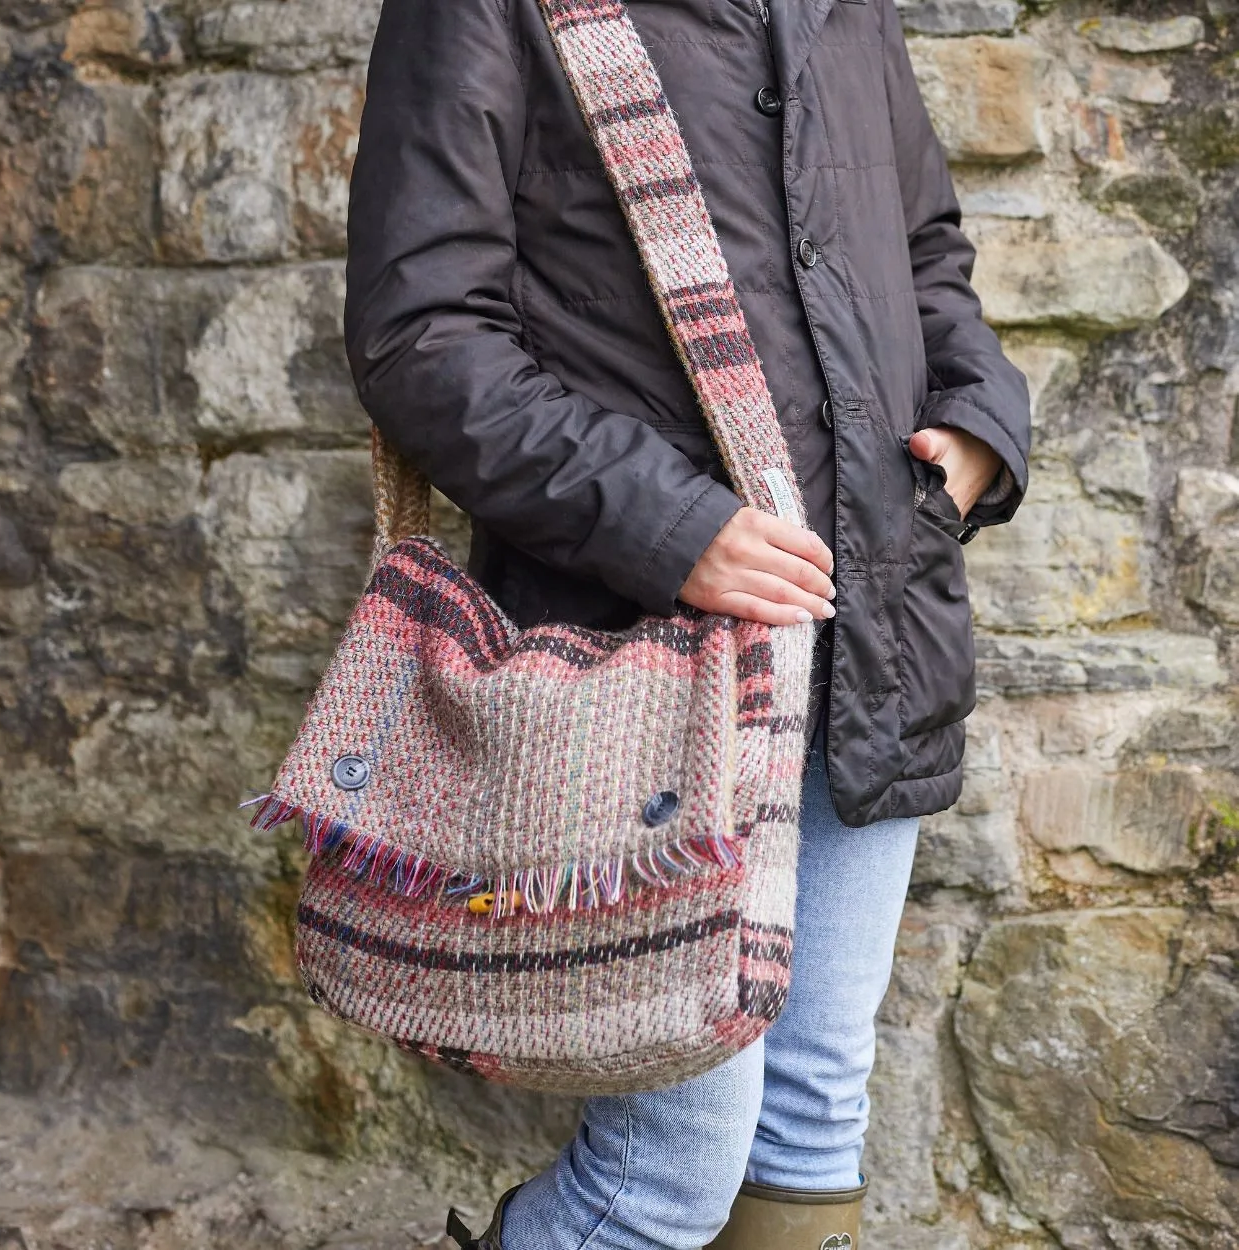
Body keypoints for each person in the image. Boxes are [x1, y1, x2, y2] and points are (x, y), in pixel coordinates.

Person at [343, 0, 1032, 1246]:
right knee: (668, 1169)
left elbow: (922, 248)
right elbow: (419, 333)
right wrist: (670, 529)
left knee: (811, 1129)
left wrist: (980, 421)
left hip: (869, 632)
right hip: (647, 660)